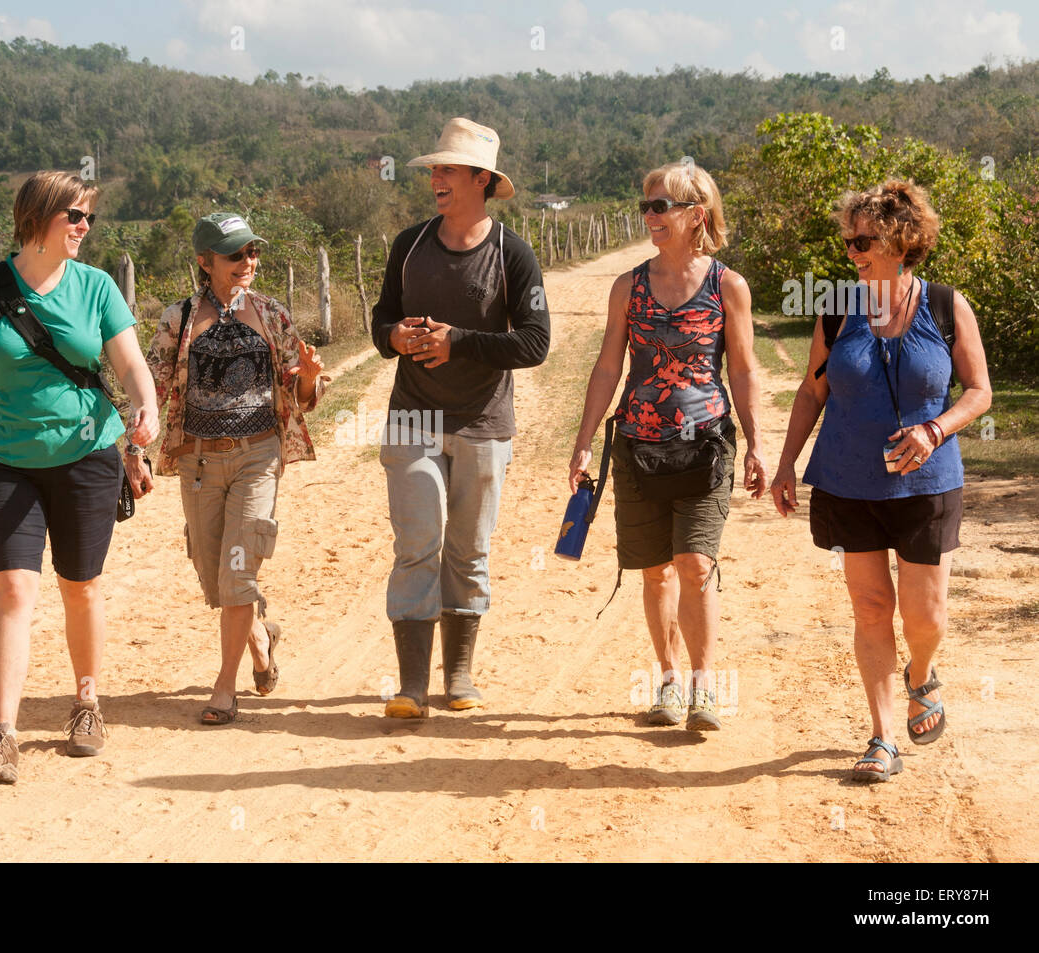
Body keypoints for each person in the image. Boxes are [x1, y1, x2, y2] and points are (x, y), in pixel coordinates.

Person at [0, 170, 159, 783]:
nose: (86, 228)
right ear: (38, 218)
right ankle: (3, 732)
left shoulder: (96, 288)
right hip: (6, 461)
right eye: (76, 216)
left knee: (79, 586)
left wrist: (149, 407)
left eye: (89, 217)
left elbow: (131, 363)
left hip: (87, 456)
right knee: (13, 590)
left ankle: (87, 704)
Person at [770, 180, 991, 782]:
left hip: (928, 483)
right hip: (848, 480)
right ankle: (883, 736)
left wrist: (935, 430)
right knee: (870, 606)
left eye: (864, 239)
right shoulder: (838, 308)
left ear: (901, 238)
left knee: (924, 615)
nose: (852, 252)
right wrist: (788, 460)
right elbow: (813, 388)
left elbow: (979, 392)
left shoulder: (947, 306)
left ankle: (922, 673)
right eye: (848, 241)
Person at [569, 160, 765, 731]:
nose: (649, 215)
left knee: (695, 562)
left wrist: (756, 444)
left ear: (695, 214)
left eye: (661, 206)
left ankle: (705, 686)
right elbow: (607, 367)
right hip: (638, 448)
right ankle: (669, 679)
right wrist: (584, 443)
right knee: (654, 571)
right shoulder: (627, 287)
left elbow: (747, 371)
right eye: (646, 206)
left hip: (705, 446)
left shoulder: (728, 286)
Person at [371, 117, 550, 718]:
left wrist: (460, 342)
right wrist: (395, 336)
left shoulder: (513, 254)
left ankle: (461, 677)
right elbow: (380, 325)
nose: (436, 179)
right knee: (417, 544)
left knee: (468, 551)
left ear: (481, 179)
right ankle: (412, 687)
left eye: (447, 169)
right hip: (411, 419)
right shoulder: (409, 246)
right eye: (434, 170)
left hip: (482, 424)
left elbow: (534, 344)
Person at [141, 212, 327, 725]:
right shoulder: (177, 319)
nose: (249, 262)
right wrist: (130, 442)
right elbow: (154, 384)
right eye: (236, 254)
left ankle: (225, 688)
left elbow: (301, 393)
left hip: (258, 454)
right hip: (199, 459)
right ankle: (261, 636)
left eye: (252, 252)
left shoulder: (272, 314)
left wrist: (309, 378)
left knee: (239, 571)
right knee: (214, 574)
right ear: (205, 262)